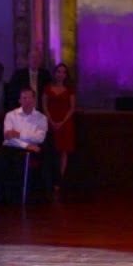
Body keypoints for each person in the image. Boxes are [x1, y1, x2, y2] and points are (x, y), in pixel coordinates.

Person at [43, 63, 76, 194]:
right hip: (50, 121)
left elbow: (72, 108)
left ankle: (59, 181)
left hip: (65, 123)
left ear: (66, 75)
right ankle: (50, 179)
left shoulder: (69, 89)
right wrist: (51, 121)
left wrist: (62, 122)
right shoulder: (47, 87)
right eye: (58, 71)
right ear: (54, 73)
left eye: (63, 72)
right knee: (51, 151)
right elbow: (44, 106)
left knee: (63, 151)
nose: (61, 74)